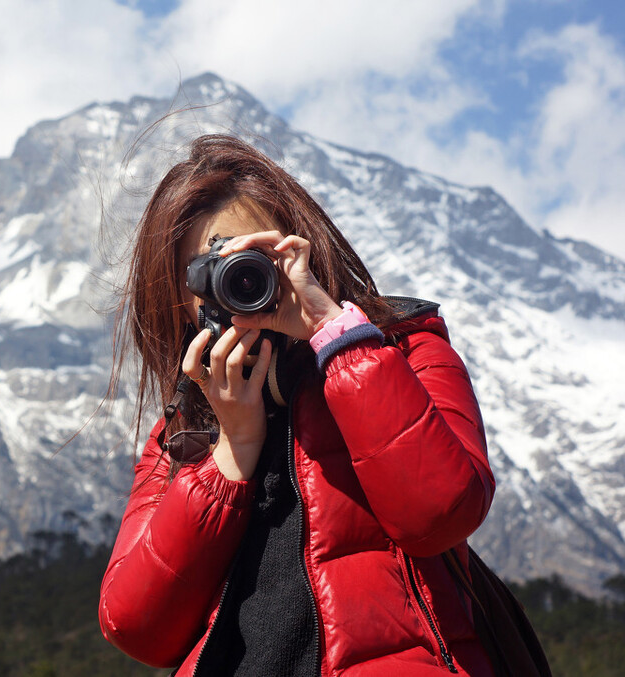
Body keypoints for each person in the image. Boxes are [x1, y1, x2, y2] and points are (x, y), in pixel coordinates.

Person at [98, 134, 496, 676]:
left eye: (253, 259)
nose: (239, 282)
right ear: (178, 301)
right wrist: (231, 450)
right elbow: (136, 627)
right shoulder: (182, 435)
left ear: (299, 249)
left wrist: (338, 338)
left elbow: (441, 514)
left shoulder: (404, 352)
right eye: (207, 273)